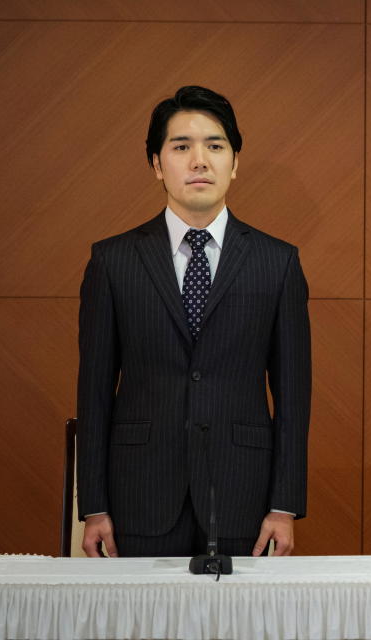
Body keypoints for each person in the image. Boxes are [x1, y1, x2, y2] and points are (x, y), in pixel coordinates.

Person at [77, 86, 311, 558]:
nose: (199, 160)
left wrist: (283, 506)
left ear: (235, 162)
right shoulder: (113, 260)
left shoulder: (278, 262)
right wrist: (95, 506)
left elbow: (293, 395)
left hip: (244, 498)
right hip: (137, 497)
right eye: (182, 146)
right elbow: (94, 391)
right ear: (158, 165)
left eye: (215, 146)